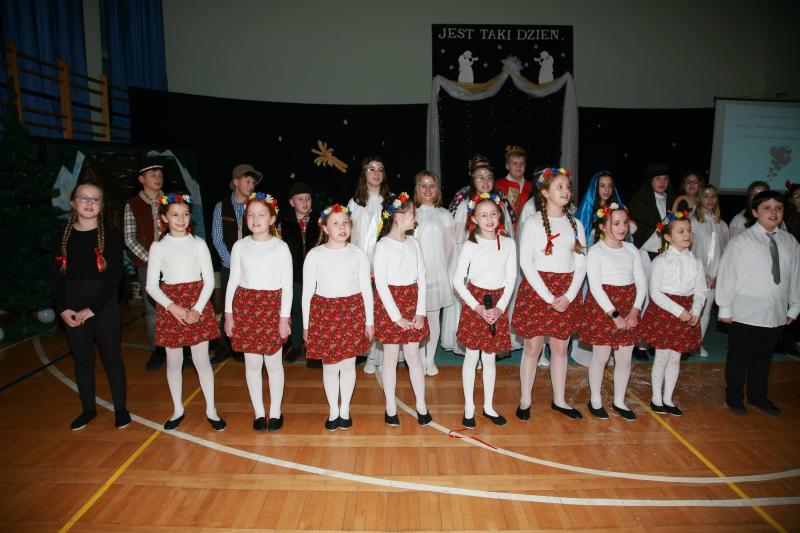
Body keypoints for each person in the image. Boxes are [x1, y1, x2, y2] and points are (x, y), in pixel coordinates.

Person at [147, 193, 226, 431]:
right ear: (164, 218)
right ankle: (177, 410)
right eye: (174, 215)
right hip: (171, 306)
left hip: (197, 302)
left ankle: (211, 410)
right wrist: (172, 307)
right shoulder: (158, 247)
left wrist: (197, 310)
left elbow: (209, 281)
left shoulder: (198, 243)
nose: (180, 219)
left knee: (202, 361)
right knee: (174, 362)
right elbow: (151, 286)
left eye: (185, 214)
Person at [52, 181, 129, 430]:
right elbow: (56, 277)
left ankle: (121, 409)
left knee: (111, 358)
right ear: (73, 203)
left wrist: (93, 309)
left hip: (103, 304)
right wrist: (63, 308)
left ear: (101, 205)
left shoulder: (111, 235)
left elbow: (114, 276)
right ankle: (88, 409)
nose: (89, 203)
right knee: (82, 359)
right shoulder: (62, 236)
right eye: (83, 198)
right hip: (72, 305)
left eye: (95, 199)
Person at [512, 167, 586, 420]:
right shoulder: (533, 223)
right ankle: (525, 399)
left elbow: (581, 264)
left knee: (560, 347)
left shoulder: (576, 224)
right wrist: (548, 297)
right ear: (544, 192)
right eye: (559, 187)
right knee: (532, 347)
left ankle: (560, 400)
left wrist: (569, 296)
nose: (566, 191)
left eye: (568, 187)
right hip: (538, 290)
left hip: (565, 292)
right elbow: (526, 263)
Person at [716, 190, 800, 416]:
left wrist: (795, 305)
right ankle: (734, 397)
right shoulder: (742, 241)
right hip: (746, 311)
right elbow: (727, 274)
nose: (773, 212)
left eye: (778, 208)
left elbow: (795, 275)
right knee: (739, 356)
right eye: (767, 208)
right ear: (755, 212)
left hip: (775, 311)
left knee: (764, 357)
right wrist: (725, 307)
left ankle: (758, 396)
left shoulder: (790, 242)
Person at [303, 204, 374, 431]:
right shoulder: (314, 255)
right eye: (335, 223)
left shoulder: (358, 254)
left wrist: (369, 321)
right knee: (330, 366)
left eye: (345, 223)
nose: (342, 227)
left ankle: (345, 409)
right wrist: (306, 325)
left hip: (352, 313)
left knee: (348, 364)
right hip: (324, 314)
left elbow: (366, 291)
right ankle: (333, 409)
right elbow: (307, 293)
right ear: (325, 228)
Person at [225, 193, 291, 432]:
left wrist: (284, 318)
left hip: (272, 308)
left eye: (261, 215)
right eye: (251, 215)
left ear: (272, 219)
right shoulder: (240, 246)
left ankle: (275, 412)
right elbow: (233, 281)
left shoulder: (280, 247)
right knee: (252, 364)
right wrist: (229, 315)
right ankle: (259, 412)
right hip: (246, 308)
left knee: (273, 363)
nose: (255, 219)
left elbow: (287, 285)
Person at [453, 193, 517, 429]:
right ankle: (469, 407)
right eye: (483, 215)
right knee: (472, 356)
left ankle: (488, 407)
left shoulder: (509, 244)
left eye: (493, 214)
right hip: (475, 303)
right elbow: (458, 281)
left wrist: (500, 308)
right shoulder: (471, 245)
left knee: (489, 358)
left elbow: (511, 279)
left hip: (497, 303)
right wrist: (478, 307)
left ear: (499, 215)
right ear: (474, 219)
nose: (489, 219)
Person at [442, 155, 515, 355]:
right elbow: (457, 238)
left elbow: (507, 231)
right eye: (480, 177)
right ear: (473, 181)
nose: (485, 181)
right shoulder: (465, 203)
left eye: (489, 177)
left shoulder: (500, 203)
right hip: (472, 264)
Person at [580, 203, 647, 421]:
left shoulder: (631, 250)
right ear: (602, 226)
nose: (622, 227)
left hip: (628, 305)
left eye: (625, 223)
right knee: (601, 356)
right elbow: (596, 287)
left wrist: (635, 310)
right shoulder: (596, 251)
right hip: (604, 308)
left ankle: (619, 401)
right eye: (616, 223)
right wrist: (615, 315)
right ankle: (595, 400)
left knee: (625, 358)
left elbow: (641, 283)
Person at [373, 192, 433, 426]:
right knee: (390, 357)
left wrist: (420, 312)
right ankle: (390, 406)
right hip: (391, 306)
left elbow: (422, 278)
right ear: (398, 217)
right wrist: (396, 318)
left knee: (413, 355)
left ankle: (421, 405)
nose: (415, 219)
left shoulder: (414, 243)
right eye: (411, 215)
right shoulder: (383, 246)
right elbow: (381, 285)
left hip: (412, 302)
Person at [640, 210, 706, 417]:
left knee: (676, 357)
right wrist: (679, 311)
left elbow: (701, 291)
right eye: (681, 231)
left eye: (689, 230)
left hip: (687, 310)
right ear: (668, 237)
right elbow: (655, 293)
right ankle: (656, 399)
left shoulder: (696, 261)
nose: (687, 234)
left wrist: (695, 311)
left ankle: (668, 398)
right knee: (662, 357)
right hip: (665, 311)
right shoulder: (661, 261)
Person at [210, 163, 262, 364]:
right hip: (229, 266)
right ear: (236, 182)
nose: (251, 185)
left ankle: (251, 343)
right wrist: (232, 263)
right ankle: (225, 347)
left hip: (254, 268)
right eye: (247, 181)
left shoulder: (258, 205)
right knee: (228, 306)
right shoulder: (221, 206)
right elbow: (217, 238)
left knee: (253, 306)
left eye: (253, 182)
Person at [123, 157, 166, 371]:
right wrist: (153, 260)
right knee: (152, 310)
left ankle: (180, 348)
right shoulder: (133, 204)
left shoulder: (170, 201)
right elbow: (130, 238)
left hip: (174, 265)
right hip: (147, 264)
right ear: (142, 179)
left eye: (160, 175)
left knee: (177, 305)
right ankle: (157, 350)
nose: (158, 178)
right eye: (152, 175)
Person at [347, 156, 389, 374]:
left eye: (380, 169)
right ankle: (368, 354)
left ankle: (381, 356)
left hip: (384, 263)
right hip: (361, 263)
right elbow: (349, 234)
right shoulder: (354, 203)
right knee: (364, 310)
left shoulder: (391, 202)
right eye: (371, 169)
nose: (376, 173)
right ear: (364, 173)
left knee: (382, 309)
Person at [412, 171, 455, 376]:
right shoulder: (412, 213)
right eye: (423, 185)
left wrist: (441, 269)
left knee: (433, 317)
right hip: (415, 275)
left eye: (432, 185)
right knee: (418, 316)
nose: (428, 189)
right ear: (417, 189)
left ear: (437, 190)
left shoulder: (444, 214)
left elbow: (449, 246)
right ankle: (419, 359)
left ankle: (430, 359)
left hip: (437, 273)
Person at [279, 182, 319, 363]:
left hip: (315, 276)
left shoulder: (319, 221)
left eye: (308, 199)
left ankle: (314, 346)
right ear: (291, 202)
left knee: (314, 311)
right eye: (300, 199)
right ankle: (296, 346)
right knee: (295, 310)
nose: (305, 202)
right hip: (293, 275)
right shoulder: (283, 223)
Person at [690, 184, 729, 357]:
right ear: (699, 199)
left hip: (714, 276)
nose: (710, 199)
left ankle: (698, 344)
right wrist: (702, 274)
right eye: (706, 196)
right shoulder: (694, 223)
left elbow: (725, 252)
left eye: (713, 196)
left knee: (706, 310)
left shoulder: (722, 225)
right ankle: (685, 343)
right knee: (692, 308)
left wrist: (718, 275)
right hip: (696, 274)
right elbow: (690, 251)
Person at [494, 145, 533, 231]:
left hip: (528, 229)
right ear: (507, 166)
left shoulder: (532, 186)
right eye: (515, 163)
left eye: (522, 163)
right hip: (505, 230)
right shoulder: (497, 185)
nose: (519, 166)